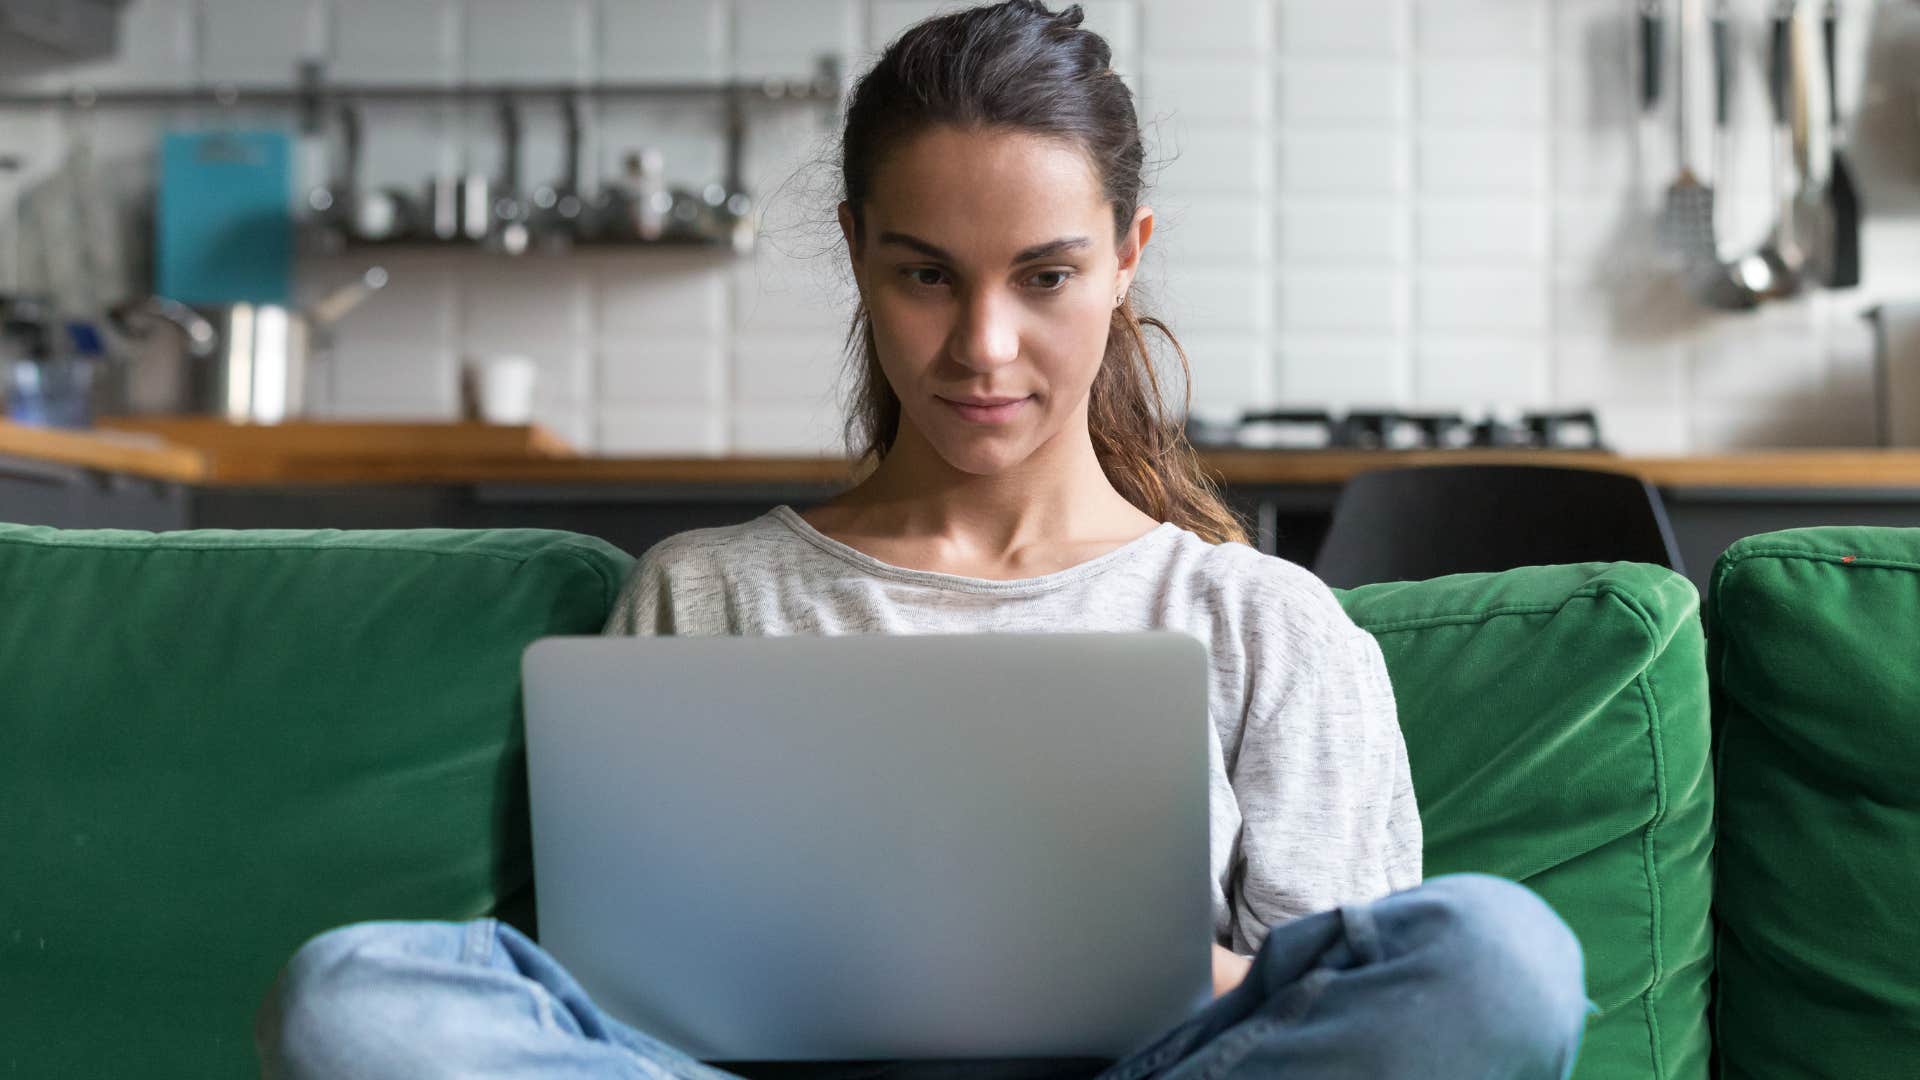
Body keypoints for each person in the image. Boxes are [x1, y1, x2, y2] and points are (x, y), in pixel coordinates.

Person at [254, 3, 1591, 1078]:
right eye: (927, 275)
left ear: (1128, 255)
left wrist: (1121, 965)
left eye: (1046, 275)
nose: (983, 347)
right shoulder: (704, 595)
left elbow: (1339, 1009)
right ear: (857, 252)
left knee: (1500, 956)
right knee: (358, 996)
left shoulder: (1263, 622)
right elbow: (622, 1002)